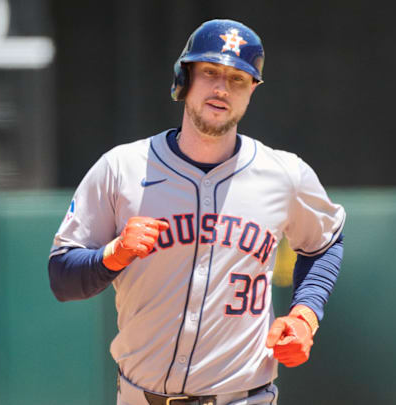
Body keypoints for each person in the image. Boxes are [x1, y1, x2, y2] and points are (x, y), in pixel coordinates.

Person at [48, 19, 345, 405]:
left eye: (238, 78)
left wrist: (305, 315)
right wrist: (113, 254)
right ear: (184, 78)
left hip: (243, 397)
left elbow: (325, 242)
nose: (222, 88)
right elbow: (61, 278)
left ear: (253, 90)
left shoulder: (284, 174)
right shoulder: (122, 167)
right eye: (209, 72)